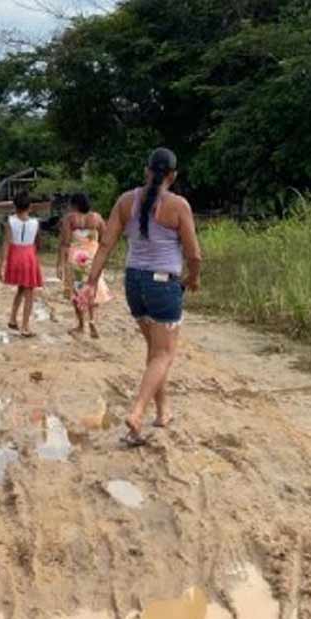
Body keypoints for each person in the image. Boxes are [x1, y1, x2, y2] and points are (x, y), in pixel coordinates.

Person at [83, 148, 202, 444]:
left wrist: (90, 282)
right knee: (164, 354)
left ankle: (163, 411)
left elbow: (106, 245)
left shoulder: (126, 201)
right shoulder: (178, 205)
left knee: (155, 351)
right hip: (163, 285)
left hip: (134, 283)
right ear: (172, 176)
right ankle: (137, 412)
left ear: (146, 170)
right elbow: (194, 254)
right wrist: (193, 278)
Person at [59, 192, 112, 339]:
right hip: (93, 257)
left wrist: (60, 263)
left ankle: (81, 325)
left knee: (76, 291)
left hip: (75, 257)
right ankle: (92, 320)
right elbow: (106, 237)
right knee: (92, 288)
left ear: (74, 204)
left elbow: (65, 242)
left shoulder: (70, 219)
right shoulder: (97, 218)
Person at [0, 190, 44, 337]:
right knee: (29, 292)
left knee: (21, 288)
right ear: (30, 207)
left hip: (15, 255)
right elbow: (38, 244)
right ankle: (25, 326)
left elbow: (6, 244)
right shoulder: (35, 223)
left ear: (14, 206)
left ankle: (13, 318)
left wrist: (1, 265)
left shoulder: (10, 222)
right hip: (29, 257)